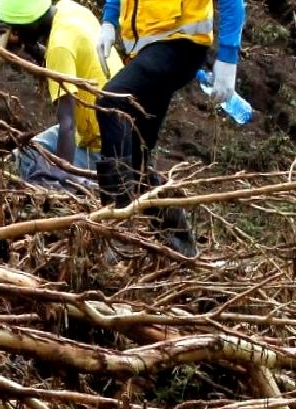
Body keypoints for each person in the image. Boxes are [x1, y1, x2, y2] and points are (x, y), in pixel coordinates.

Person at [92, 0, 245, 251]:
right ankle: (181, 246)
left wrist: (228, 56)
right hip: (145, 50)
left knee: (112, 102)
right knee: (137, 156)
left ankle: (117, 225)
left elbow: (232, 2)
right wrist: (109, 20)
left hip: (181, 44)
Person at [0, 0, 121, 191]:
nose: (16, 35)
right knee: (26, 153)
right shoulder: (69, 9)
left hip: (103, 148)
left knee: (34, 169)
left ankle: (85, 187)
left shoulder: (59, 47)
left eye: (19, 30)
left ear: (33, 22)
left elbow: (67, 125)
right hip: (113, 130)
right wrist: (29, 46)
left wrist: (62, 175)